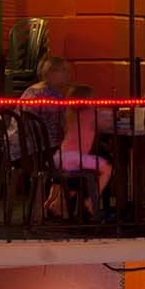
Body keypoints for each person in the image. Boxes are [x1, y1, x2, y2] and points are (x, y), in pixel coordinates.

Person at [48, 84, 112, 218]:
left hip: (60, 156)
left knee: (72, 178)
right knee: (106, 168)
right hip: (76, 157)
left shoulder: (69, 114)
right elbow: (107, 123)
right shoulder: (91, 116)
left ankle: (57, 202)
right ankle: (91, 201)